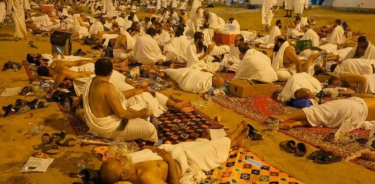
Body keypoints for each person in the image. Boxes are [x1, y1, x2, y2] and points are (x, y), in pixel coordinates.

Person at [82, 58, 194, 142]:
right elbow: (121, 114)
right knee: (150, 128)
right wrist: (139, 114)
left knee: (139, 99)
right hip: (109, 129)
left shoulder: (90, 82)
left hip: (100, 124)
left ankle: (171, 106)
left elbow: (119, 96)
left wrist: (141, 90)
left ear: (95, 70)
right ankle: (155, 144)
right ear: (111, 72)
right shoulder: (107, 87)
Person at [99, 122, 249, 184]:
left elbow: (147, 155)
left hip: (177, 154)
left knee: (200, 143)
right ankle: (234, 136)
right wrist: (170, 161)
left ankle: (235, 143)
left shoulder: (132, 164)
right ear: (123, 175)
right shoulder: (145, 178)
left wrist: (152, 150)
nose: (119, 156)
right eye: (118, 161)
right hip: (185, 162)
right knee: (214, 147)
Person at [271, 97, 375, 130]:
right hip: (357, 119)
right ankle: (291, 124)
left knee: (316, 111)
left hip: (354, 106)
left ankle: (285, 117)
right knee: (321, 119)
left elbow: (357, 94)